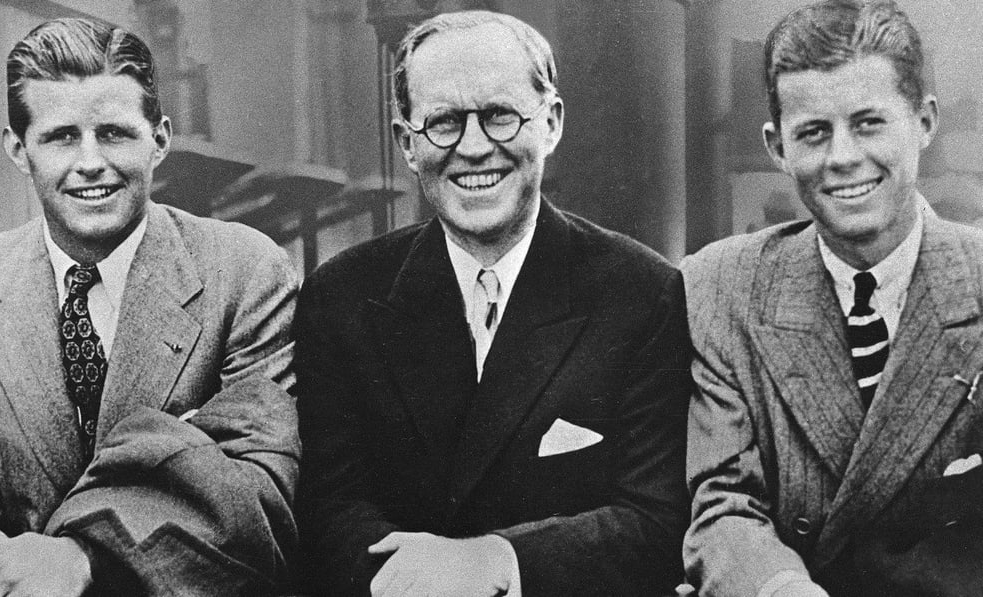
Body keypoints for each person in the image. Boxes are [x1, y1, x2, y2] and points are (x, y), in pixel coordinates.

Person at [294, 9, 692, 597]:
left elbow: (657, 519)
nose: (474, 148)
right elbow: (328, 505)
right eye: (444, 123)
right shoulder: (343, 296)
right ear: (406, 143)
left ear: (551, 123)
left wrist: (495, 562)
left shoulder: (643, 292)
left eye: (501, 116)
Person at [0, 18, 300, 596]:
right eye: (61, 136)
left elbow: (259, 494)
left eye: (114, 133)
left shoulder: (243, 271)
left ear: (159, 139)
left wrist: (84, 558)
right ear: (18, 150)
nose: (91, 161)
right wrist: (5, 573)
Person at [683, 1, 983, 595]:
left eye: (869, 123)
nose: (843, 157)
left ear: (924, 121)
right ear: (777, 147)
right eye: (814, 132)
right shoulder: (721, 286)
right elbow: (723, 503)